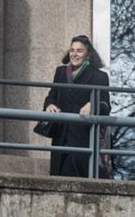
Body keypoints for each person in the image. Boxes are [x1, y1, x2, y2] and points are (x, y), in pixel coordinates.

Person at [43, 34, 111, 178]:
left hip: (82, 139)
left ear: (88, 54)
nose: (74, 54)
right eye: (72, 50)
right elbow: (52, 95)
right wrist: (49, 105)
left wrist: (93, 104)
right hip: (60, 138)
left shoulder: (99, 76)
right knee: (58, 177)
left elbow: (105, 106)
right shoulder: (61, 72)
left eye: (79, 50)